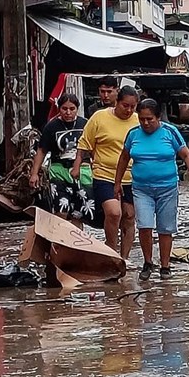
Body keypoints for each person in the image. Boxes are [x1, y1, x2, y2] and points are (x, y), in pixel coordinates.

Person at [115, 99, 189, 281]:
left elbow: (186, 154)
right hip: (141, 188)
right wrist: (117, 183)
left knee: (165, 228)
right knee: (145, 225)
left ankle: (165, 266)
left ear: (158, 117)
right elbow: (123, 159)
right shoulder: (133, 134)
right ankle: (148, 263)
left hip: (167, 188)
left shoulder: (170, 132)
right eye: (142, 119)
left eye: (150, 119)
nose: (146, 123)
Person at [73, 85, 140, 263]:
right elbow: (84, 145)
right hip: (104, 174)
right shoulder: (99, 117)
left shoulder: (138, 121)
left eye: (133, 107)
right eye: (125, 105)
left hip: (132, 176)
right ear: (117, 102)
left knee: (129, 216)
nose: (129, 110)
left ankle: (124, 259)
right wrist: (77, 166)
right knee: (113, 212)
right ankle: (111, 251)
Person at [29, 94, 94, 228]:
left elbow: (94, 148)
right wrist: (34, 173)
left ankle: (76, 244)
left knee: (79, 213)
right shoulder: (51, 127)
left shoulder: (85, 124)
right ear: (59, 108)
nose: (68, 112)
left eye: (72, 108)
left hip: (82, 172)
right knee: (61, 210)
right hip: (59, 171)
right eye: (64, 109)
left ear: (77, 108)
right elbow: (41, 151)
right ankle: (59, 242)